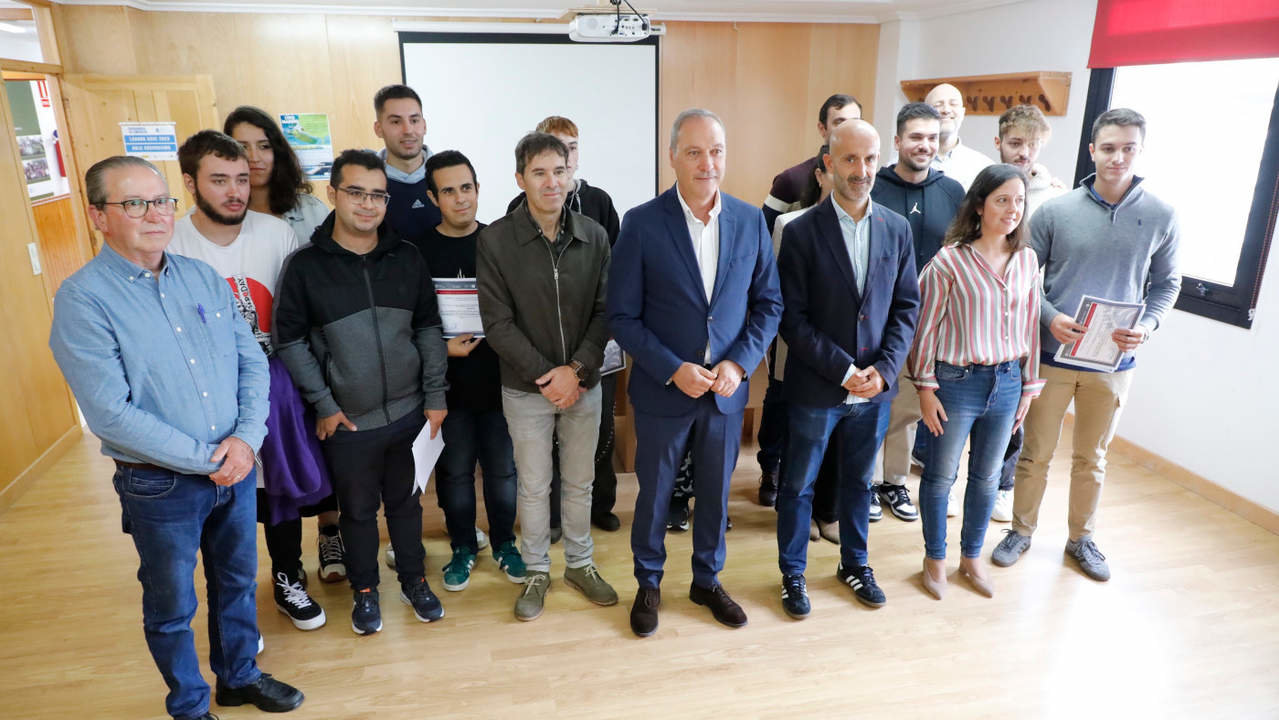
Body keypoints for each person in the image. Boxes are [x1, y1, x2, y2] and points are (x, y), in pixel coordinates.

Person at [50, 155, 303, 719]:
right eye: (134, 203)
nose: (155, 214)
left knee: (237, 583)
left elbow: (252, 363)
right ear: (99, 216)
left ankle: (239, 677)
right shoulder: (83, 300)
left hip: (234, 470)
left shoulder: (200, 277)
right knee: (172, 605)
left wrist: (245, 441)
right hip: (159, 484)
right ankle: (189, 705)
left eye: (161, 201)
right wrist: (206, 459)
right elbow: (110, 413)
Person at [609, 109, 782, 636]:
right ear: (673, 158)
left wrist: (739, 361)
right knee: (656, 494)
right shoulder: (641, 223)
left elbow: (768, 305)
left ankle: (707, 580)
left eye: (717, 151)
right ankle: (649, 582)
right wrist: (670, 368)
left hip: (726, 393)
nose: (708, 163)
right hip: (666, 391)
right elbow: (622, 316)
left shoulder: (750, 220)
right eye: (695, 152)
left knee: (714, 494)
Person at [992, 108, 1181, 582]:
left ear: (1140, 151)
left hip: (1114, 360)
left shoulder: (1162, 215)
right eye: (1109, 147)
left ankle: (1081, 538)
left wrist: (1151, 325)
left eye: (1128, 148)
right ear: (1092, 150)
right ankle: (1020, 530)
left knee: (1092, 457)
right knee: (1034, 452)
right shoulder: (1055, 211)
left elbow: (1167, 284)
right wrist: (1051, 318)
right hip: (1052, 356)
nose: (1118, 157)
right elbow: (1023, 279)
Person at [274, 149, 450, 635]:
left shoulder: (407, 258)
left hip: (410, 413)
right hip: (348, 422)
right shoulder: (306, 267)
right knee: (356, 513)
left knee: (407, 507)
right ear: (333, 194)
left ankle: (414, 581)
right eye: (356, 192)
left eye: (377, 194)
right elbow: (289, 341)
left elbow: (429, 330)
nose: (368, 204)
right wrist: (325, 405)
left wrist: (435, 396)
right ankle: (365, 592)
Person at [168, 130, 333, 631]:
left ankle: (288, 576)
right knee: (225, 496)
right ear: (191, 183)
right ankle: (231, 606)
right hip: (206, 391)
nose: (234, 190)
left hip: (273, 385)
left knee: (277, 488)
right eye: (219, 180)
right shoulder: (172, 241)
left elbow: (291, 317)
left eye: (241, 179)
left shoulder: (274, 232)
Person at [773, 120, 919, 618]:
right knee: (799, 485)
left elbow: (905, 308)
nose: (862, 171)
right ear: (829, 164)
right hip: (819, 386)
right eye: (851, 160)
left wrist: (883, 369)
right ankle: (792, 572)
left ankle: (854, 563)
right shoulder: (800, 232)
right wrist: (843, 370)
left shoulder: (897, 229)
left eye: (871, 159)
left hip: (875, 390)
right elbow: (791, 318)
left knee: (859, 483)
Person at [477, 132, 616, 622]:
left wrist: (575, 370)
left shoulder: (594, 236)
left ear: (570, 174)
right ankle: (537, 569)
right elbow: (497, 324)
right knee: (534, 486)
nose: (551, 182)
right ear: (520, 179)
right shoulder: (495, 240)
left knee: (579, 483)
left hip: (584, 384)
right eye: (539, 173)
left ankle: (580, 563)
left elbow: (606, 314)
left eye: (559, 171)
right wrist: (548, 376)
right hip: (525, 389)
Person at [909, 163, 1044, 600]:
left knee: (987, 478)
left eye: (1019, 201)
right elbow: (924, 328)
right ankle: (934, 559)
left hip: (1007, 383)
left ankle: (970, 558)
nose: (1012, 209)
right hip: (956, 381)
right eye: (1002, 199)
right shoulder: (950, 260)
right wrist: (926, 388)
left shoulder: (1026, 259)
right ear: (980, 205)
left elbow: (1030, 327)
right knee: (941, 475)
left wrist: (1028, 386)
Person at [506, 115, 623, 536]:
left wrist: (579, 365)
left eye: (571, 147)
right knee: (546, 452)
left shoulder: (600, 204)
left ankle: (599, 507)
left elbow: (614, 280)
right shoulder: (513, 218)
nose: (563, 158)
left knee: (600, 434)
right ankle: (552, 519)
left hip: (594, 350)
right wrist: (551, 371)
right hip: (539, 361)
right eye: (553, 150)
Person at [416, 149, 525, 591]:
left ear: (478, 190)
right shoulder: (418, 251)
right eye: (448, 191)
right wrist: (442, 350)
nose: (461, 198)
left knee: (502, 472)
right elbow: (413, 321)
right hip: (448, 388)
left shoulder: (503, 241)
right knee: (455, 475)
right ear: (432, 196)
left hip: (502, 384)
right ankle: (463, 547)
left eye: (467, 188)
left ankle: (504, 543)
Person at [756, 94, 862, 507]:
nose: (844, 127)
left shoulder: (865, 183)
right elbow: (762, 248)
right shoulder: (791, 187)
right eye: (838, 121)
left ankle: (825, 499)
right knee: (781, 396)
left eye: (853, 120)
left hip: (843, 336)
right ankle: (772, 466)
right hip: (794, 324)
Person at [870, 102, 965, 523]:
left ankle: (894, 481)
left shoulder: (952, 192)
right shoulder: (876, 186)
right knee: (877, 401)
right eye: (915, 137)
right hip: (878, 315)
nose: (924, 145)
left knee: (910, 403)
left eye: (932, 137)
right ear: (897, 141)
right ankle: (867, 482)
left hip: (931, 320)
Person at [985, 104, 1070, 522]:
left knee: (1013, 406)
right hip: (982, 311)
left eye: (1031, 145)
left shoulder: (1053, 196)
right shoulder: (979, 186)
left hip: (1026, 314)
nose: (1023, 153)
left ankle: (1002, 484)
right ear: (999, 142)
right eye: (1016, 143)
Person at [224, 106, 330, 243]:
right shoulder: (215, 214)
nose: (254, 157)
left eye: (264, 146)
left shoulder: (312, 210)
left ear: (278, 151)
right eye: (242, 147)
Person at [373, 84, 441, 247]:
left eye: (414, 120)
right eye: (396, 121)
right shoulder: (367, 184)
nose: (408, 130)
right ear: (379, 129)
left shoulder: (447, 175)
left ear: (424, 125)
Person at [924, 83, 993, 190]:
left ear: (963, 112)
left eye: (953, 104)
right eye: (938, 105)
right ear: (925, 114)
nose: (946, 110)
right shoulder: (903, 165)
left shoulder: (984, 167)